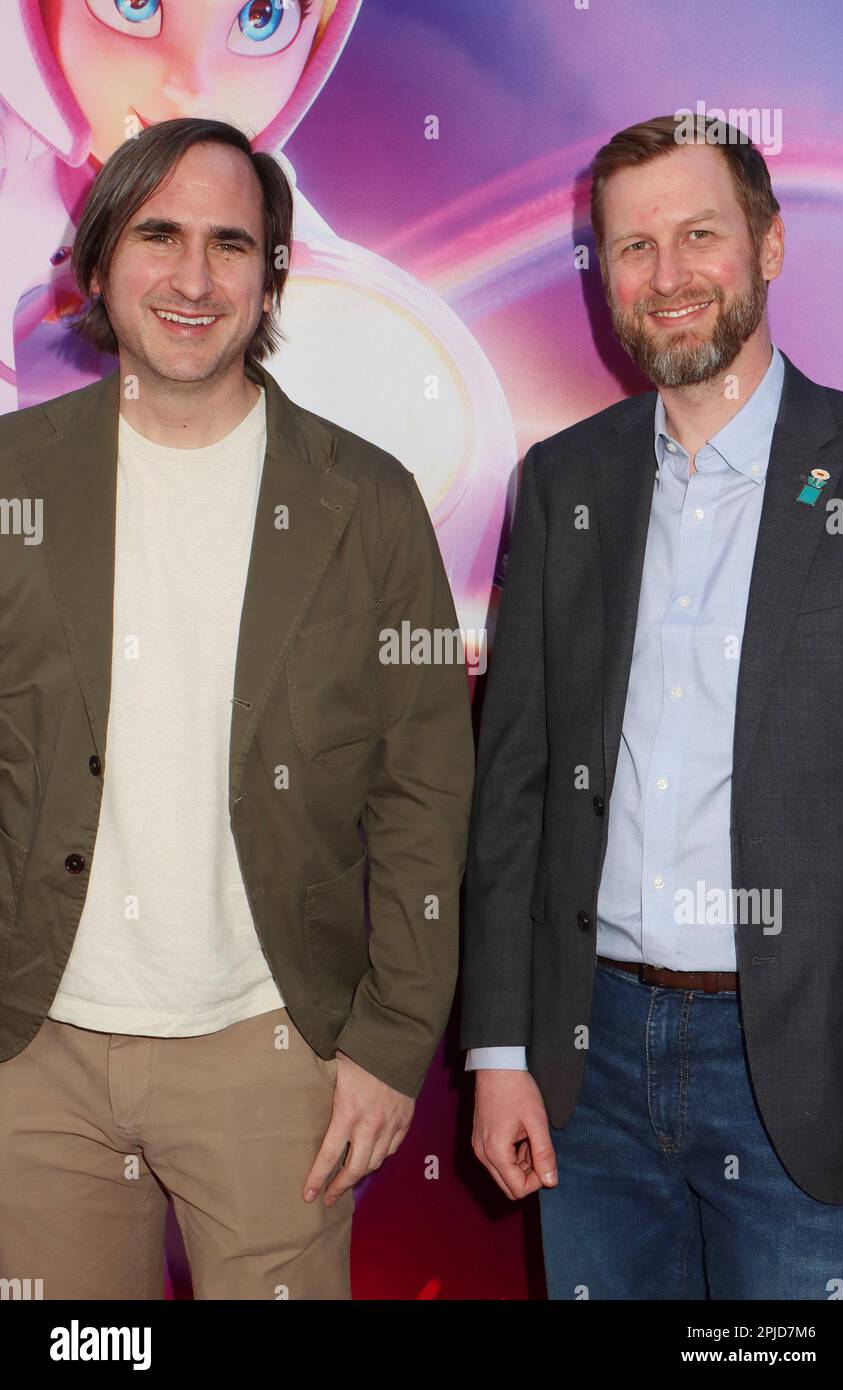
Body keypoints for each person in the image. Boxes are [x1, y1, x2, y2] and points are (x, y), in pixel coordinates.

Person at [0, 115, 474, 1300]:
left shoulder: (363, 501)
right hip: (36, 1051)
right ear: (99, 262)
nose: (193, 277)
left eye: (230, 243)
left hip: (275, 1049)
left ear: (270, 277)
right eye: (158, 234)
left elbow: (425, 786)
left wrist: (389, 1041)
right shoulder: (12, 482)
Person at [461, 113, 843, 1300]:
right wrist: (497, 1050)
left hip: (806, 1066)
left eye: (698, 234)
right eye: (630, 248)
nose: (666, 275)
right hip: (587, 1068)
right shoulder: (562, 481)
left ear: (771, 246)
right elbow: (512, 789)